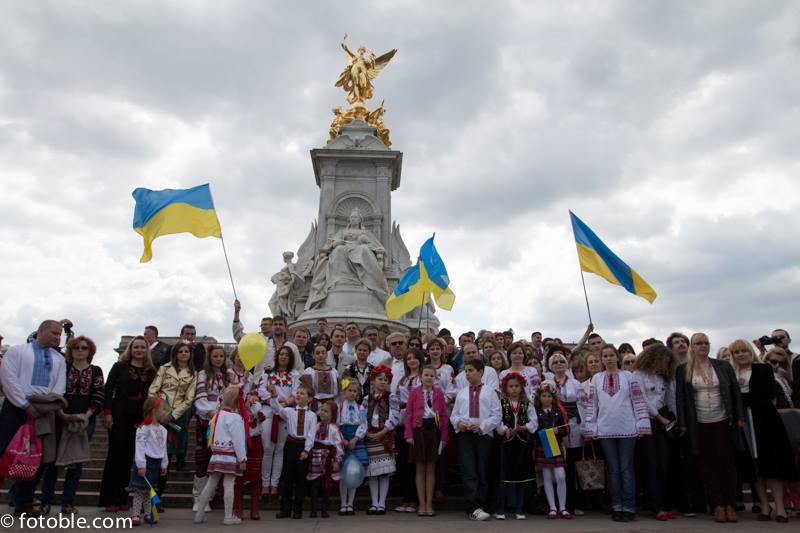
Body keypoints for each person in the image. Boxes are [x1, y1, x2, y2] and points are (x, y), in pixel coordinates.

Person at [0, 320, 67, 517]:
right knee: (4, 450)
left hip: (44, 411)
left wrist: (48, 405)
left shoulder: (59, 359)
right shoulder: (17, 351)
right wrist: (24, 404)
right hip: (16, 407)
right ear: (41, 331)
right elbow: (9, 379)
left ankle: (24, 502)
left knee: (39, 457)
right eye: (54, 333)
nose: (58, 337)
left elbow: (59, 386)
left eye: (60, 334)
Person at [675, 332, 744, 523]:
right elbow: (680, 399)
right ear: (693, 347)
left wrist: (740, 417)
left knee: (727, 463)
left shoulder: (723, 366)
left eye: (706, 342)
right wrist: (683, 423)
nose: (703, 346)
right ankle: (717, 506)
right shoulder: (684, 370)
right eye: (699, 343)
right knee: (708, 465)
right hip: (699, 424)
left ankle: (730, 504)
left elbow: (735, 392)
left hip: (723, 421)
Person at [729, 339, 798, 523]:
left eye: (743, 350)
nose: (741, 354)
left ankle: (780, 507)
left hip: (766, 421)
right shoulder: (732, 373)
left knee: (772, 464)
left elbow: (767, 393)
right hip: (744, 422)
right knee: (754, 466)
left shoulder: (763, 369)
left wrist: (744, 399)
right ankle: (765, 506)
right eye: (737, 352)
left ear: (750, 351)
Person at [584, 344, 651, 522]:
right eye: (604, 356)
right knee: (613, 470)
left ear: (617, 357)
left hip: (627, 428)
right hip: (606, 429)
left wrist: (641, 423)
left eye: (611, 355)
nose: (608, 359)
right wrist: (592, 427)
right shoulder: (596, 379)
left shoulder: (629, 376)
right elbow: (592, 405)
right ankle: (616, 505)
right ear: (601, 359)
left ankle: (629, 506)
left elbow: (638, 400)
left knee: (626, 468)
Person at [40, 335, 105, 515]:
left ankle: (67, 503)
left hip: (85, 421)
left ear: (89, 351)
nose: (80, 351)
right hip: (60, 418)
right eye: (76, 347)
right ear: (71, 350)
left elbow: (99, 395)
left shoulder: (96, 371)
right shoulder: (64, 368)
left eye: (84, 348)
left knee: (76, 463)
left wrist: (86, 416)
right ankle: (45, 502)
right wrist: (61, 413)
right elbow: (55, 391)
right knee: (53, 462)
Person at [98, 336, 157, 512]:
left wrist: (147, 419)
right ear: (130, 350)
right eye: (135, 347)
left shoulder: (152, 371)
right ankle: (110, 499)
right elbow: (108, 390)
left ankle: (123, 497)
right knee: (115, 456)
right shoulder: (119, 367)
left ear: (147, 351)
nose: (139, 350)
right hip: (119, 413)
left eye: (142, 347)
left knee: (131, 457)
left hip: (139, 417)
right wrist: (107, 413)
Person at [451, 358, 501, 521]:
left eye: (471, 370)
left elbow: (496, 415)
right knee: (468, 470)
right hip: (465, 435)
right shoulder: (462, 393)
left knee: (482, 469)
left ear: (480, 372)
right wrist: (459, 423)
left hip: (483, 436)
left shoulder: (490, 392)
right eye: (466, 371)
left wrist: (482, 426)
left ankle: (483, 503)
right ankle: (472, 506)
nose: (467, 374)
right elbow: (454, 414)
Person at [632, 342, 677, 521]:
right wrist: (659, 417)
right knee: (652, 464)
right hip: (647, 421)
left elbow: (670, 398)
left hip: (665, 422)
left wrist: (678, 420)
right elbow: (642, 399)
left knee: (665, 464)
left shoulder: (665, 377)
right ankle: (656, 506)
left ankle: (665, 504)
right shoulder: (638, 375)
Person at [194, 385, 248, 525]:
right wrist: (242, 458)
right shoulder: (235, 418)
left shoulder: (217, 415)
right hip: (229, 455)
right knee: (229, 484)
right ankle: (228, 516)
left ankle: (199, 514)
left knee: (211, 483)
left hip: (217, 454)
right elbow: (238, 440)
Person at [150, 341, 198, 500]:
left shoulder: (193, 373)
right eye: (180, 351)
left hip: (177, 418)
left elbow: (189, 399)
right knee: (154, 457)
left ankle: (158, 497)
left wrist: (173, 415)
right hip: (159, 414)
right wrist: (161, 411)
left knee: (167, 459)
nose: (184, 354)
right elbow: (153, 391)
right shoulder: (164, 368)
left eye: (186, 351)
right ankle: (147, 495)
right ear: (175, 354)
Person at [192, 344, 235, 512]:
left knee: (218, 458)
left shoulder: (229, 375)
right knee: (202, 458)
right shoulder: (203, 375)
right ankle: (198, 497)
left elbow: (232, 397)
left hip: (223, 422)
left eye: (221, 356)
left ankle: (210, 496)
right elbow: (200, 397)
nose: (218, 359)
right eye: (215, 356)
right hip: (207, 420)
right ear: (209, 358)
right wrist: (211, 412)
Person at [255, 345, 300, 497]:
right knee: (268, 448)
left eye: (287, 355)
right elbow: (261, 391)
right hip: (269, 412)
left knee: (280, 449)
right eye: (281, 354)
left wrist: (284, 404)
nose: (284, 357)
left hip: (285, 413)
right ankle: (265, 484)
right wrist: (273, 403)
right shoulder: (268, 373)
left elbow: (296, 393)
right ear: (277, 356)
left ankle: (274, 485)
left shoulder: (294, 375)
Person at [545, 349, 585, 516]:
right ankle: (553, 506)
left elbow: (582, 406)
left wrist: (585, 429)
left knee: (571, 467)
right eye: (555, 362)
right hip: (551, 431)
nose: (559, 364)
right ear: (550, 366)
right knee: (553, 467)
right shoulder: (546, 383)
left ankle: (572, 503)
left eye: (562, 361)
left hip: (573, 428)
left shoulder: (575, 383)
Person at [405, 364, 449, 517]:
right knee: (419, 468)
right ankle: (421, 504)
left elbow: (443, 415)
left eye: (432, 375)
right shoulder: (414, 393)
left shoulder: (439, 393)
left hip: (433, 430)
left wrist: (444, 437)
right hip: (419, 430)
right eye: (426, 375)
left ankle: (429, 503)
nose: (429, 378)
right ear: (421, 376)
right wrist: (408, 434)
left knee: (431, 468)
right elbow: (409, 414)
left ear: (435, 378)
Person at [269, 382, 318, 519]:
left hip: (302, 447)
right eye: (297, 393)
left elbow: (311, 434)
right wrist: (274, 397)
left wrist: (307, 450)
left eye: (302, 393)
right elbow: (277, 409)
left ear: (309, 399)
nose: (298, 395)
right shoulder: (290, 412)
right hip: (290, 445)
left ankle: (298, 509)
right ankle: (285, 508)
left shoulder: (312, 416)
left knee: (300, 479)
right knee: (287, 478)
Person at [495, 371, 537, 520]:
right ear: (505, 388)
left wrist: (523, 427)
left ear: (521, 387)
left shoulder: (527, 403)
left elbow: (534, 422)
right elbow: (497, 420)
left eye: (516, 386)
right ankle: (500, 509)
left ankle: (519, 509)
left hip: (522, 443)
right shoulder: (501, 403)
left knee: (521, 476)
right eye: (510, 386)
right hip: (507, 443)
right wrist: (504, 430)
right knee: (505, 476)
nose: (513, 389)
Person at [127, 396, 169, 526]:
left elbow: (163, 448)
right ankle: (135, 514)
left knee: (150, 491)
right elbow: (139, 446)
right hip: (145, 462)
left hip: (156, 463)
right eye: (162, 409)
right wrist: (141, 465)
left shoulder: (163, 430)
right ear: (154, 410)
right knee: (140, 491)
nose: (164, 412)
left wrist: (164, 464)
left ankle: (148, 513)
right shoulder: (144, 428)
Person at [364, 365, 400, 515]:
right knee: (373, 472)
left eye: (386, 379)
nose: (383, 382)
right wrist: (366, 431)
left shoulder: (391, 397)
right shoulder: (367, 398)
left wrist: (384, 431)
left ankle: (381, 503)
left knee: (384, 472)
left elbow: (395, 416)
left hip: (384, 436)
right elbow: (362, 416)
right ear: (373, 380)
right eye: (380, 379)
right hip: (370, 437)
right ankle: (374, 503)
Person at [393, 348, 424, 513]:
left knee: (415, 462)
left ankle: (415, 499)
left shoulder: (423, 378)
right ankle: (406, 498)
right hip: (403, 421)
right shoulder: (403, 380)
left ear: (420, 360)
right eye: (408, 358)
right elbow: (397, 400)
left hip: (418, 422)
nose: (411, 360)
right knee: (403, 461)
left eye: (414, 358)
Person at [534, 383, 569, 520]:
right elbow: (533, 431)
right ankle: (553, 508)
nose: (546, 399)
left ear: (553, 398)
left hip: (555, 444)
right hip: (543, 445)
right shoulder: (536, 413)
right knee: (547, 477)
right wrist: (540, 433)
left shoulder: (558, 411)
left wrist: (558, 431)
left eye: (549, 396)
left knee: (560, 476)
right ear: (539, 397)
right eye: (543, 396)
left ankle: (563, 507)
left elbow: (566, 429)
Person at [307, 401, 345, 518]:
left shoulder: (334, 429)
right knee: (314, 484)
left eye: (326, 411)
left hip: (329, 458)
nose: (322, 413)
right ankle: (313, 509)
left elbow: (339, 445)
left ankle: (324, 509)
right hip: (315, 457)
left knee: (326, 484)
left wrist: (337, 460)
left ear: (332, 414)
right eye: (321, 410)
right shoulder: (316, 426)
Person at [338, 379, 368, 515]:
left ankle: (350, 503)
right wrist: (342, 439)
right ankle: (343, 503)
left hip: (356, 439)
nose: (352, 393)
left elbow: (363, 425)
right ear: (344, 391)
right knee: (344, 472)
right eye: (349, 390)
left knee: (354, 471)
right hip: (343, 439)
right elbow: (337, 425)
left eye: (355, 391)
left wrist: (356, 438)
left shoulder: (360, 408)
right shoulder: (339, 407)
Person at [235, 387, 264, 520]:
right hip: (243, 443)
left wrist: (256, 410)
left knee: (255, 478)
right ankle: (239, 509)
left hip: (256, 443)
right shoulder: (238, 411)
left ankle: (255, 509)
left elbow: (261, 418)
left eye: (254, 397)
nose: (251, 400)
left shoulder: (258, 408)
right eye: (248, 397)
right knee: (239, 478)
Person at [302, 344, 339, 410]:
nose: (320, 355)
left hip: (331, 407)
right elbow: (304, 391)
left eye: (323, 352)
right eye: (317, 353)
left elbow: (339, 391)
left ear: (326, 355)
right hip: (314, 406)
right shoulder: (308, 371)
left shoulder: (334, 372)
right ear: (313, 355)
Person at [340, 338, 374, 403]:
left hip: (370, 404)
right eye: (360, 350)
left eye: (365, 350)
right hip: (352, 403)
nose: (362, 352)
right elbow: (344, 388)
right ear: (356, 351)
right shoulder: (348, 369)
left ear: (369, 352)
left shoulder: (374, 370)